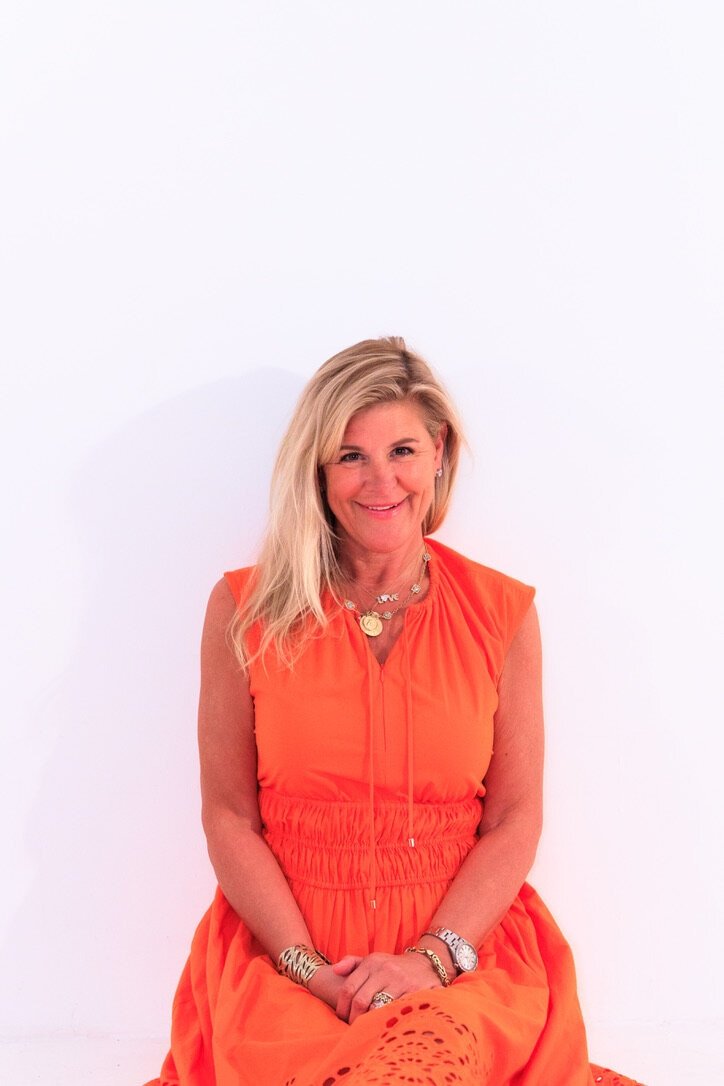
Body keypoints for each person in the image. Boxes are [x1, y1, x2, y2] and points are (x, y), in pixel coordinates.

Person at [144, 338, 643, 1086]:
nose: (382, 481)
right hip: (283, 963)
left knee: (421, 1069)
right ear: (317, 470)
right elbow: (229, 817)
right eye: (351, 456)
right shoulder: (243, 611)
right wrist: (311, 970)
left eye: (402, 450)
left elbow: (514, 819)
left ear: (439, 452)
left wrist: (430, 961)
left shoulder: (501, 614)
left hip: (463, 961)